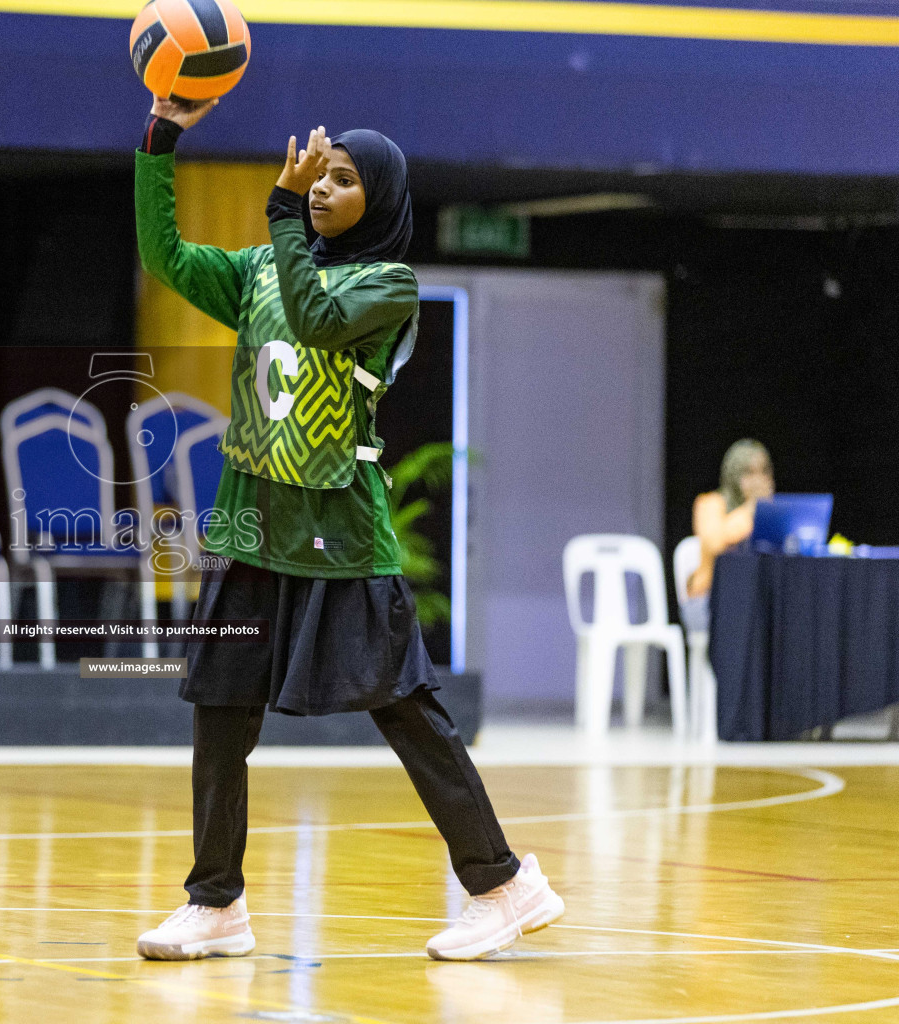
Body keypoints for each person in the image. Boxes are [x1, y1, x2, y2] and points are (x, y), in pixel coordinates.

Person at [130, 98, 564, 963]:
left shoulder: (387, 286)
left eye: (343, 178)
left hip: (339, 531)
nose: (321, 187)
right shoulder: (262, 266)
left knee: (409, 712)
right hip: (254, 527)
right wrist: (161, 140)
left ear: (384, 198)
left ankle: (506, 885)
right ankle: (215, 903)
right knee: (218, 711)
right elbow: (165, 254)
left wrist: (284, 216)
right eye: (317, 175)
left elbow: (319, 317)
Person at [681, 439, 774, 632]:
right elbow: (715, 544)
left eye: (764, 472)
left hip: (754, 599)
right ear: (733, 474)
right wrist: (752, 508)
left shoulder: (772, 513)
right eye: (749, 472)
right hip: (708, 599)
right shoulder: (710, 503)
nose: (758, 480)